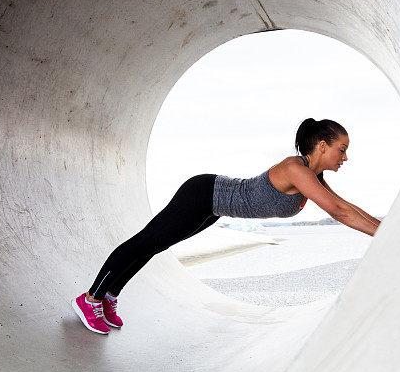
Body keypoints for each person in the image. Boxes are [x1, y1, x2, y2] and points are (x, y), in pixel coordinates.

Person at [71, 118, 380, 334]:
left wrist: (384, 226)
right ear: (323, 146)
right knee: (145, 242)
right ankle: (91, 298)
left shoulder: (314, 178)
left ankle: (110, 296)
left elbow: (347, 206)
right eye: (342, 149)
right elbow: (338, 212)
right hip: (204, 193)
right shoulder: (294, 168)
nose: (346, 157)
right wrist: (382, 234)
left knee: (156, 245)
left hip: (213, 208)